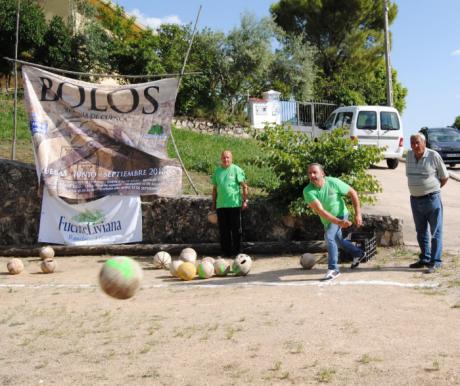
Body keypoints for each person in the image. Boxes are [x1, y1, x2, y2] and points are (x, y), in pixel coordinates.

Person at [303, 163, 364, 281]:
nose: (312, 175)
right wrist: (338, 222)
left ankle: (333, 269)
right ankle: (359, 254)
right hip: (329, 219)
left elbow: (353, 193)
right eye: (310, 173)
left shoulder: (333, 182)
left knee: (329, 236)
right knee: (338, 241)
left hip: (341, 214)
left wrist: (358, 214)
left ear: (322, 174)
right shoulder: (308, 191)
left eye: (315, 172)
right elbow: (320, 211)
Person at [406, 133, 448, 273]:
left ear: (424, 143)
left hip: (431, 199)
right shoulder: (409, 156)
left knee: (435, 231)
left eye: (417, 142)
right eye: (412, 143)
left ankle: (435, 261)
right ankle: (425, 258)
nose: (414, 146)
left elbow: (444, 177)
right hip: (415, 200)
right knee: (421, 231)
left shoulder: (433, 155)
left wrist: (432, 189)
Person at [211, 150, 248, 257]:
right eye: (224, 157)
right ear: (221, 159)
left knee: (236, 231)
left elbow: (244, 186)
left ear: (231, 159)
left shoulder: (236, 169)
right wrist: (213, 203)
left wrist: (245, 200)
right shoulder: (217, 171)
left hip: (234, 205)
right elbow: (214, 190)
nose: (225, 159)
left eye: (228, 157)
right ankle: (225, 253)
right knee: (223, 231)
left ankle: (238, 253)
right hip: (221, 205)